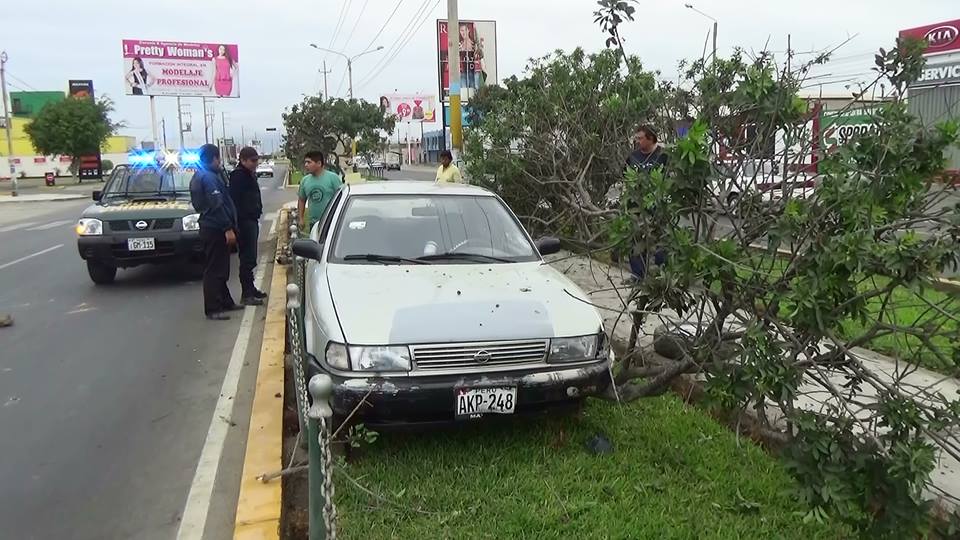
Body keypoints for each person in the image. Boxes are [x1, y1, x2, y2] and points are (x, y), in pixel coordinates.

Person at [190, 144, 241, 321]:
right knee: (215, 269)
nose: (220, 162)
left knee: (222, 267)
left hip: (211, 226)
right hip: (215, 228)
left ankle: (226, 301)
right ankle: (213, 308)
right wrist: (227, 228)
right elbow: (217, 205)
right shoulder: (208, 178)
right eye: (218, 158)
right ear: (213, 158)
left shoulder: (201, 175)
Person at [624, 125, 668, 279]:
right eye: (636, 138)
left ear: (651, 138)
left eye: (640, 138)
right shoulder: (633, 157)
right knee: (636, 240)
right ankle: (638, 274)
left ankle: (662, 274)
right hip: (636, 207)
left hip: (657, 207)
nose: (637, 141)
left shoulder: (663, 155)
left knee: (661, 241)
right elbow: (626, 177)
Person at [229, 146, 267, 306]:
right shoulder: (238, 176)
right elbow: (235, 201)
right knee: (246, 258)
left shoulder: (248, 174)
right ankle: (246, 294)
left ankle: (251, 289)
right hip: (244, 222)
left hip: (251, 219)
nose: (255, 163)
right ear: (243, 160)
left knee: (251, 257)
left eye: (256, 160)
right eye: (252, 160)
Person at [298, 151, 344, 235]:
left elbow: (342, 197)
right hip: (314, 223)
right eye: (305, 162)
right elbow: (301, 199)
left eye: (309, 162)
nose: (306, 165)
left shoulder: (332, 178)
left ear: (319, 163)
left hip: (332, 221)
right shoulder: (305, 180)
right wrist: (301, 218)